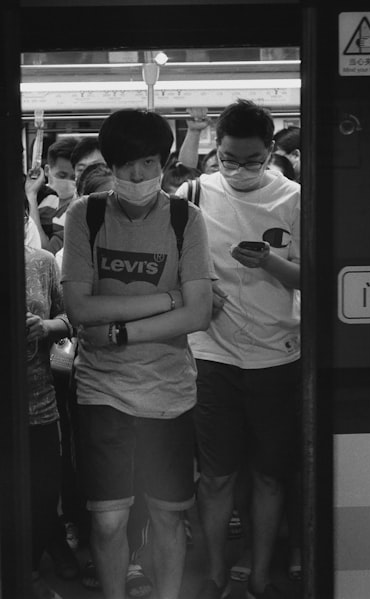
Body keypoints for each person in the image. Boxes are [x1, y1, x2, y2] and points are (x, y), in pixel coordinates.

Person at [61, 108, 214, 599]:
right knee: (107, 522)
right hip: (101, 389)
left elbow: (199, 315)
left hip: (170, 392)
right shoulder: (85, 215)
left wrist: (123, 330)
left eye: (148, 163)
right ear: (110, 164)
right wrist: (169, 299)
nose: (137, 176)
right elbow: (80, 307)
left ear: (164, 163)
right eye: (125, 165)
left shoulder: (185, 219)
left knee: (169, 517)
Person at [174, 99, 301, 599]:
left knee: (270, 476)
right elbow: (172, 267)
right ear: (215, 151)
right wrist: (204, 288)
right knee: (216, 476)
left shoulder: (294, 197)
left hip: (279, 354)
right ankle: (216, 576)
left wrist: (271, 262)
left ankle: (262, 576)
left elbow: (316, 276)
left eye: (252, 161)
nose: (240, 170)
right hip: (212, 354)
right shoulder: (195, 194)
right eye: (229, 159)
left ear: (271, 151)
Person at [24, 201, 78, 599]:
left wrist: (45, 327)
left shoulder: (42, 263)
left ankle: (28, 568)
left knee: (44, 495)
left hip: (40, 399)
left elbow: (70, 321)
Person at [28, 136, 80, 255]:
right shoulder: (40, 196)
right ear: (47, 171)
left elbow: (44, 253)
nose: (67, 181)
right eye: (62, 176)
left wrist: (31, 197)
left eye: (73, 177)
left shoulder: (78, 206)